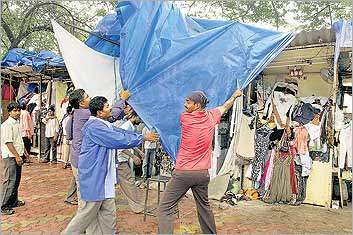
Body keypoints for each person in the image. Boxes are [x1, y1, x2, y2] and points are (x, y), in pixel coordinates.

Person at [63, 96, 159, 234]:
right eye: (107, 107)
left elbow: (120, 132)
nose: (111, 109)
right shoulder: (94, 127)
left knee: (108, 214)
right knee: (86, 216)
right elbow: (118, 139)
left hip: (104, 180)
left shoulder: (103, 124)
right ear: (100, 112)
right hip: (94, 178)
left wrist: (140, 136)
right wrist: (142, 137)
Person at [157, 89, 243, 234]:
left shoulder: (185, 118)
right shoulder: (211, 117)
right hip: (202, 175)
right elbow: (225, 106)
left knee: (164, 208)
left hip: (184, 173)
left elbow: (167, 111)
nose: (185, 104)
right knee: (204, 207)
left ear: (196, 105)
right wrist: (235, 95)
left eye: (188, 102)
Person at [115, 111, 146, 213]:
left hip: (122, 159)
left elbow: (129, 143)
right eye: (139, 118)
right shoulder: (126, 127)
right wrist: (133, 156)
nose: (141, 120)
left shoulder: (131, 127)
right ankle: (136, 206)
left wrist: (139, 152)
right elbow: (120, 145)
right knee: (129, 182)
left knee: (127, 182)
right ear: (134, 116)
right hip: (120, 159)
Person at [1, 102, 29, 215]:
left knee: (16, 180)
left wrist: (25, 152)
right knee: (9, 181)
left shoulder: (17, 123)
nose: (17, 112)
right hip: (11, 156)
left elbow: (19, 140)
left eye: (18, 110)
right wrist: (17, 156)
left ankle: (13, 201)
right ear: (9, 112)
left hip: (18, 154)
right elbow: (8, 142)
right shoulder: (7, 125)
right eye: (14, 110)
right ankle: (4, 205)